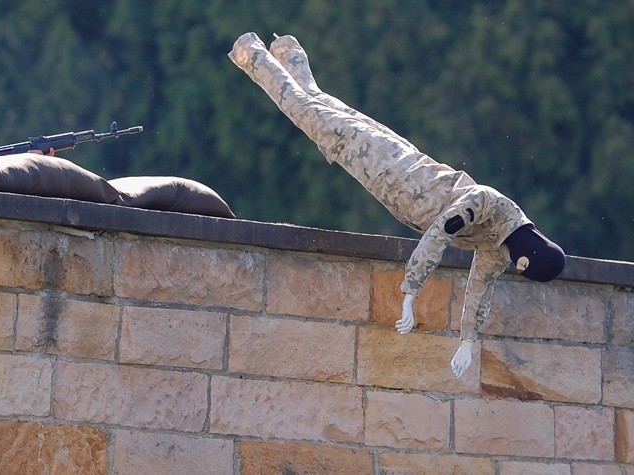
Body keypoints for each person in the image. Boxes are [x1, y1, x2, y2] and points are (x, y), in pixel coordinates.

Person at [228, 32, 566, 378]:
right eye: (522, 265)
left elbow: (480, 289)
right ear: (528, 256)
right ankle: (250, 52)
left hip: (388, 171)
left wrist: (467, 341)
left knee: (317, 105)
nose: (514, 265)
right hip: (384, 163)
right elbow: (439, 234)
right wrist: (411, 290)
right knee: (305, 113)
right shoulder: (486, 203)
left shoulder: (500, 245)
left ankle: (285, 49)